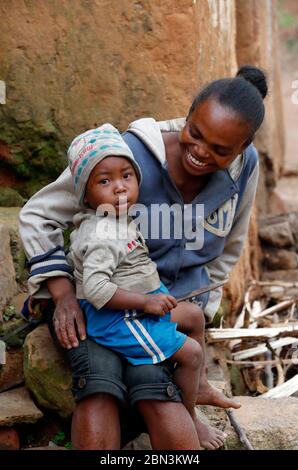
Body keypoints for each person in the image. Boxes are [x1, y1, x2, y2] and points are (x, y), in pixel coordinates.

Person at [19, 65, 268, 450]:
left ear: (244, 146)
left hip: (156, 308)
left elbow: (228, 248)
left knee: (155, 388)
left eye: (220, 150)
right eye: (195, 135)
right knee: (99, 382)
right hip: (95, 304)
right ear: (187, 116)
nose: (201, 153)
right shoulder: (123, 157)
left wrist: (189, 310)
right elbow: (39, 214)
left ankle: (189, 406)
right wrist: (64, 295)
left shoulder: (243, 167)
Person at [67, 122, 207, 444]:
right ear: (86, 196)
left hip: (138, 304)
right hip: (117, 319)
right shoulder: (102, 232)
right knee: (192, 353)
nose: (119, 188)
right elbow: (97, 290)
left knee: (194, 316)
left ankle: (198, 388)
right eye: (105, 181)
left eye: (126, 176)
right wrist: (146, 303)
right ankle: (191, 415)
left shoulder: (120, 217)